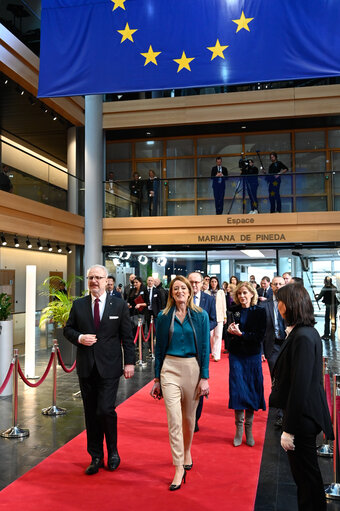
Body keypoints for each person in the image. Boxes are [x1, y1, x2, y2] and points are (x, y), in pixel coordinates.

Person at [63, 265, 135, 475]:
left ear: (106, 280)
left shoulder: (119, 305)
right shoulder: (79, 305)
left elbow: (128, 337)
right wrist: (79, 338)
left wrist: (129, 362)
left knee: (105, 409)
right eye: (91, 277)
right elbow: (68, 329)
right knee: (90, 413)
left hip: (110, 367)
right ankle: (95, 455)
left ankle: (113, 451)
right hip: (86, 367)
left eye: (98, 277)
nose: (94, 281)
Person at [269, 283, 334, 511]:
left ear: (290, 305)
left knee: (307, 479)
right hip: (302, 416)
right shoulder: (301, 332)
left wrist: (289, 428)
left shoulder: (304, 336)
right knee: (305, 478)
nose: (277, 306)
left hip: (303, 419)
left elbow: (300, 387)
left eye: (280, 301)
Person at [150, 276, 210, 491]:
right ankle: (178, 467)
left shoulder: (200, 315)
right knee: (174, 420)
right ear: (171, 293)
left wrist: (205, 377)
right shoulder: (163, 316)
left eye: (183, 287)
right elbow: (158, 350)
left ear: (189, 290)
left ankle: (187, 452)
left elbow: (205, 347)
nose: (180, 291)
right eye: (175, 288)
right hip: (170, 369)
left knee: (188, 418)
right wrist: (157, 378)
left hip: (192, 369)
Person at [226, 281, 266, 447]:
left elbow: (259, 336)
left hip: (252, 355)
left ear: (251, 294)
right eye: (240, 293)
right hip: (236, 355)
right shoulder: (233, 310)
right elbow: (226, 335)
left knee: (251, 389)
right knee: (238, 390)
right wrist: (229, 332)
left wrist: (242, 334)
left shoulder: (260, 311)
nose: (242, 296)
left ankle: (248, 430)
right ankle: (239, 429)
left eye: (245, 293)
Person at [188, 272, 217, 432]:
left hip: (202, 345)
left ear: (202, 283)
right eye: (191, 282)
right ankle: (186, 416)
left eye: (196, 282)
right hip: (184, 345)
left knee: (200, 382)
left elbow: (214, 319)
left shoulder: (209, 299)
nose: (194, 285)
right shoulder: (181, 298)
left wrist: (203, 329)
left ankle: (195, 419)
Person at [262, 276, 286, 428]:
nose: (277, 286)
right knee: (276, 379)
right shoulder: (265, 305)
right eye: (275, 284)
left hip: (288, 345)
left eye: (280, 284)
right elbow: (262, 329)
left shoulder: (290, 304)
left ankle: (289, 410)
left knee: (288, 377)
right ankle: (280, 414)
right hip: (272, 346)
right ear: (271, 286)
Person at [206, 276, 226, 362]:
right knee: (211, 336)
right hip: (209, 317)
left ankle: (217, 354)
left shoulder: (221, 292)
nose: (213, 283)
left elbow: (224, 305)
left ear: (217, 283)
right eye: (212, 281)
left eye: (215, 282)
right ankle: (213, 352)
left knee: (218, 335)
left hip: (219, 316)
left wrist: (225, 316)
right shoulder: (206, 292)